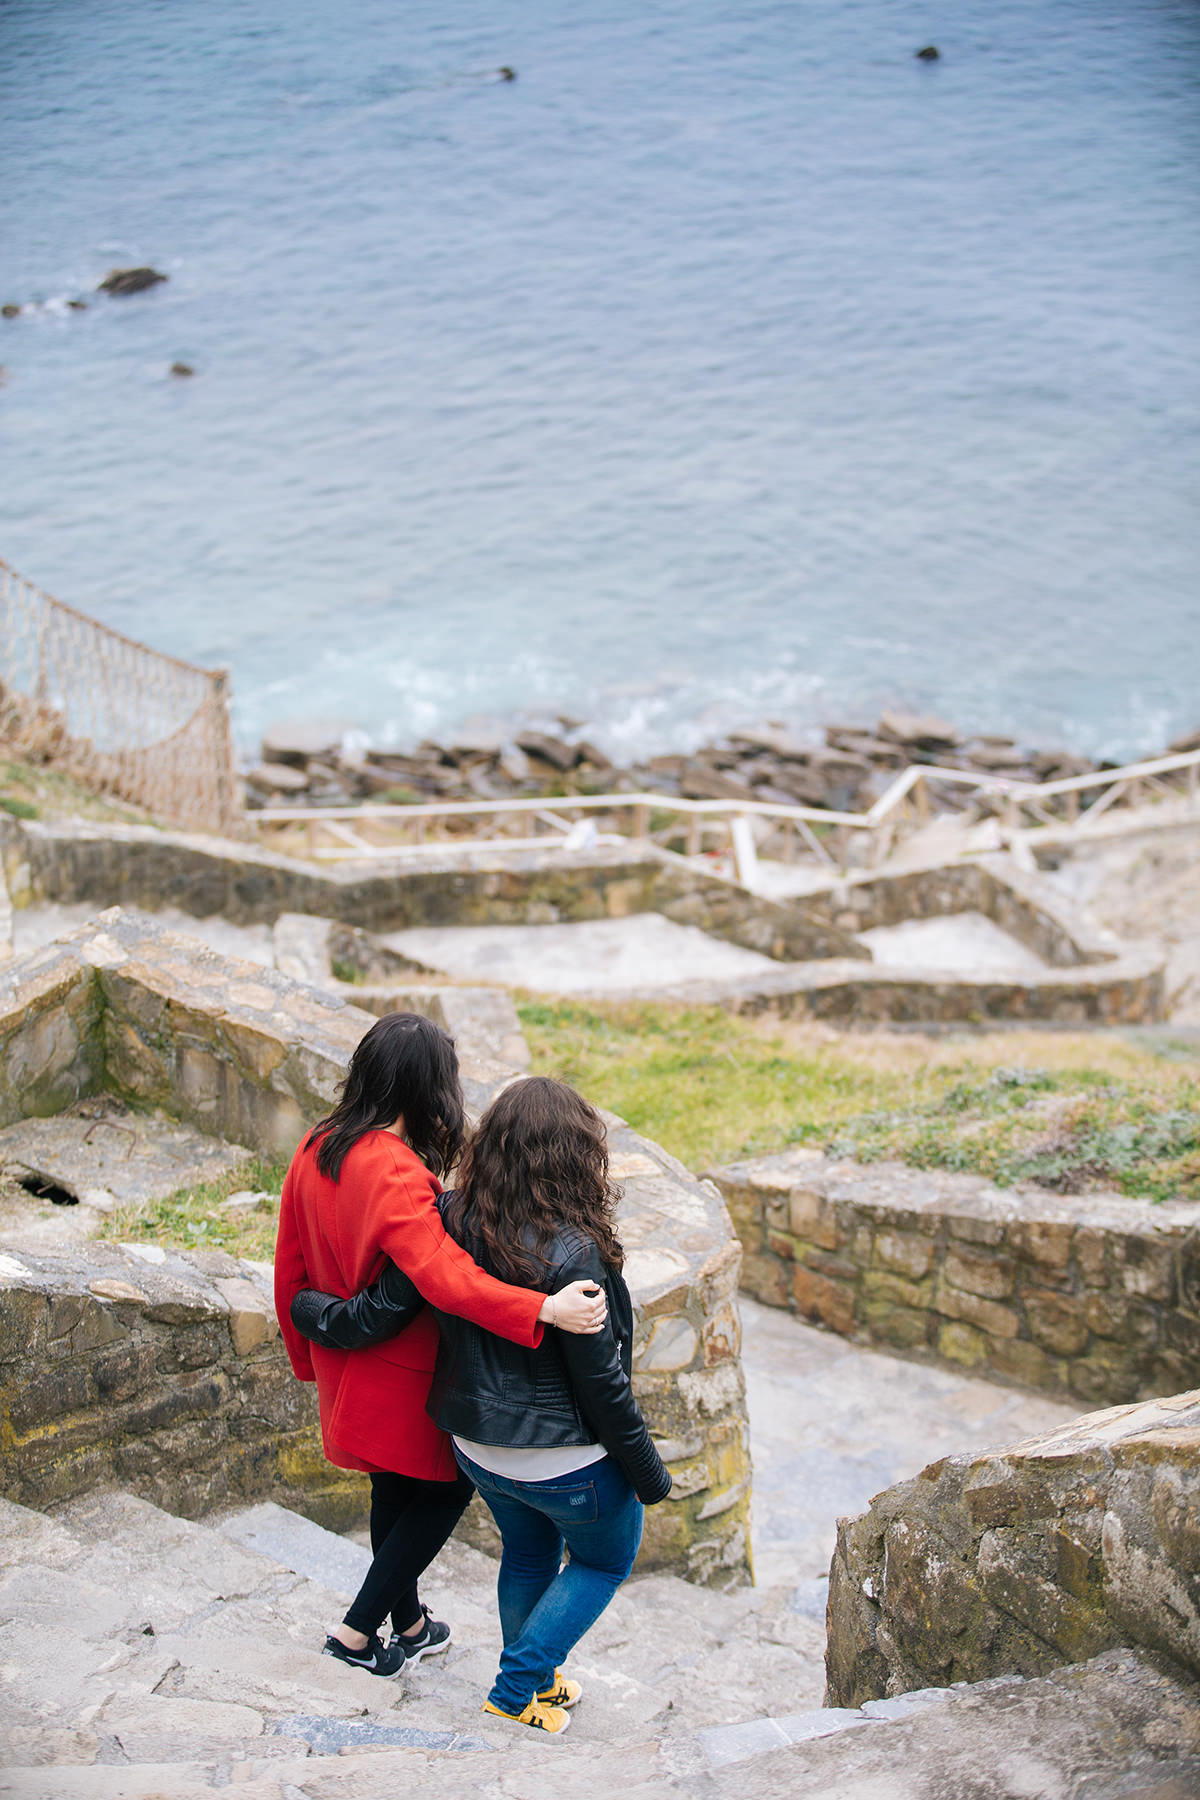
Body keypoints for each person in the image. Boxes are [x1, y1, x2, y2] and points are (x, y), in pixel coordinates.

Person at [292, 1075, 672, 1735]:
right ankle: (516, 1687)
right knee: (603, 1559)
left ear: (492, 1144)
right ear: (577, 1155)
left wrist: (308, 1307)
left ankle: (541, 1686)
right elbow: (602, 1388)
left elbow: (384, 1309)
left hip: (479, 1453)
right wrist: (649, 1475)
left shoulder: (449, 1216)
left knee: (528, 1556)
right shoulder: (577, 1253)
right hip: (565, 1462)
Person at [274, 1015, 607, 1680]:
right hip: (403, 1373)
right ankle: (356, 1632)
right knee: (444, 1491)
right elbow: (446, 1279)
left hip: (348, 1365)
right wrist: (543, 1307)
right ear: (430, 1087)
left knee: (391, 1495)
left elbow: (289, 1266)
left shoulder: (317, 1145)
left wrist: (306, 1357)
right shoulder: (394, 1170)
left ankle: (412, 1624)